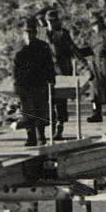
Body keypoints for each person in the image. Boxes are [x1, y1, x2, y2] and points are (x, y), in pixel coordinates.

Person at [12, 20, 57, 148]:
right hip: (24, 84)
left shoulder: (43, 46)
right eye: (27, 32)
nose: (29, 35)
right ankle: (30, 137)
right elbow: (14, 67)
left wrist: (52, 79)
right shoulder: (19, 46)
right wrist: (16, 83)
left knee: (40, 110)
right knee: (27, 112)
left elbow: (49, 64)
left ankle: (41, 136)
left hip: (39, 82)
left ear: (35, 33)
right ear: (23, 33)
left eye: (31, 32)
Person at [44, 10, 80, 139]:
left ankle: (59, 127)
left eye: (53, 21)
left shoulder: (63, 34)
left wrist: (83, 62)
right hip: (47, 70)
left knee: (60, 100)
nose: (51, 23)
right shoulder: (43, 34)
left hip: (61, 70)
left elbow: (72, 48)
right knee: (49, 100)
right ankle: (52, 126)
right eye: (49, 21)